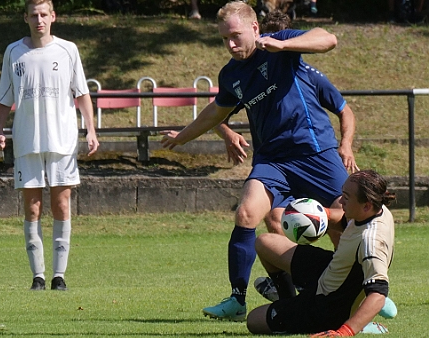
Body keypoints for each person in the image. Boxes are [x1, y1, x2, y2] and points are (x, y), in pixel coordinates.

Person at [161, 1, 345, 321]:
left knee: (346, 222)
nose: (230, 44)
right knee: (246, 213)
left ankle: (364, 292)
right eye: (224, 39)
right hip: (272, 160)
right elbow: (216, 111)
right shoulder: (231, 73)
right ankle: (243, 299)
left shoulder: (282, 45)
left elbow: (328, 39)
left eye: (235, 36)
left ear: (255, 29)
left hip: (313, 152)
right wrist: (182, 136)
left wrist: (284, 43)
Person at [0, 0, 99, 291]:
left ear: (53, 17)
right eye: (33, 15)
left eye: (44, 14)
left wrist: (91, 130)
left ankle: (59, 276)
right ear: (25, 18)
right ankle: (38, 276)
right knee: (33, 207)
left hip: (62, 141)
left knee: (61, 204)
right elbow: (5, 97)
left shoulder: (68, 50)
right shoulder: (14, 52)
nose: (39, 20)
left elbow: (82, 93)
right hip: (27, 140)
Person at [246, 170, 396, 336]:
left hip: (328, 305)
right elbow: (344, 220)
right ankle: (286, 300)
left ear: (366, 205)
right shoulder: (374, 208)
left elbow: (378, 295)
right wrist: (320, 214)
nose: (341, 200)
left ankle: (305, 308)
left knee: (253, 320)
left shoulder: (372, 243)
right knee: (264, 242)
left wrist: (344, 332)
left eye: (346, 197)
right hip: (330, 269)